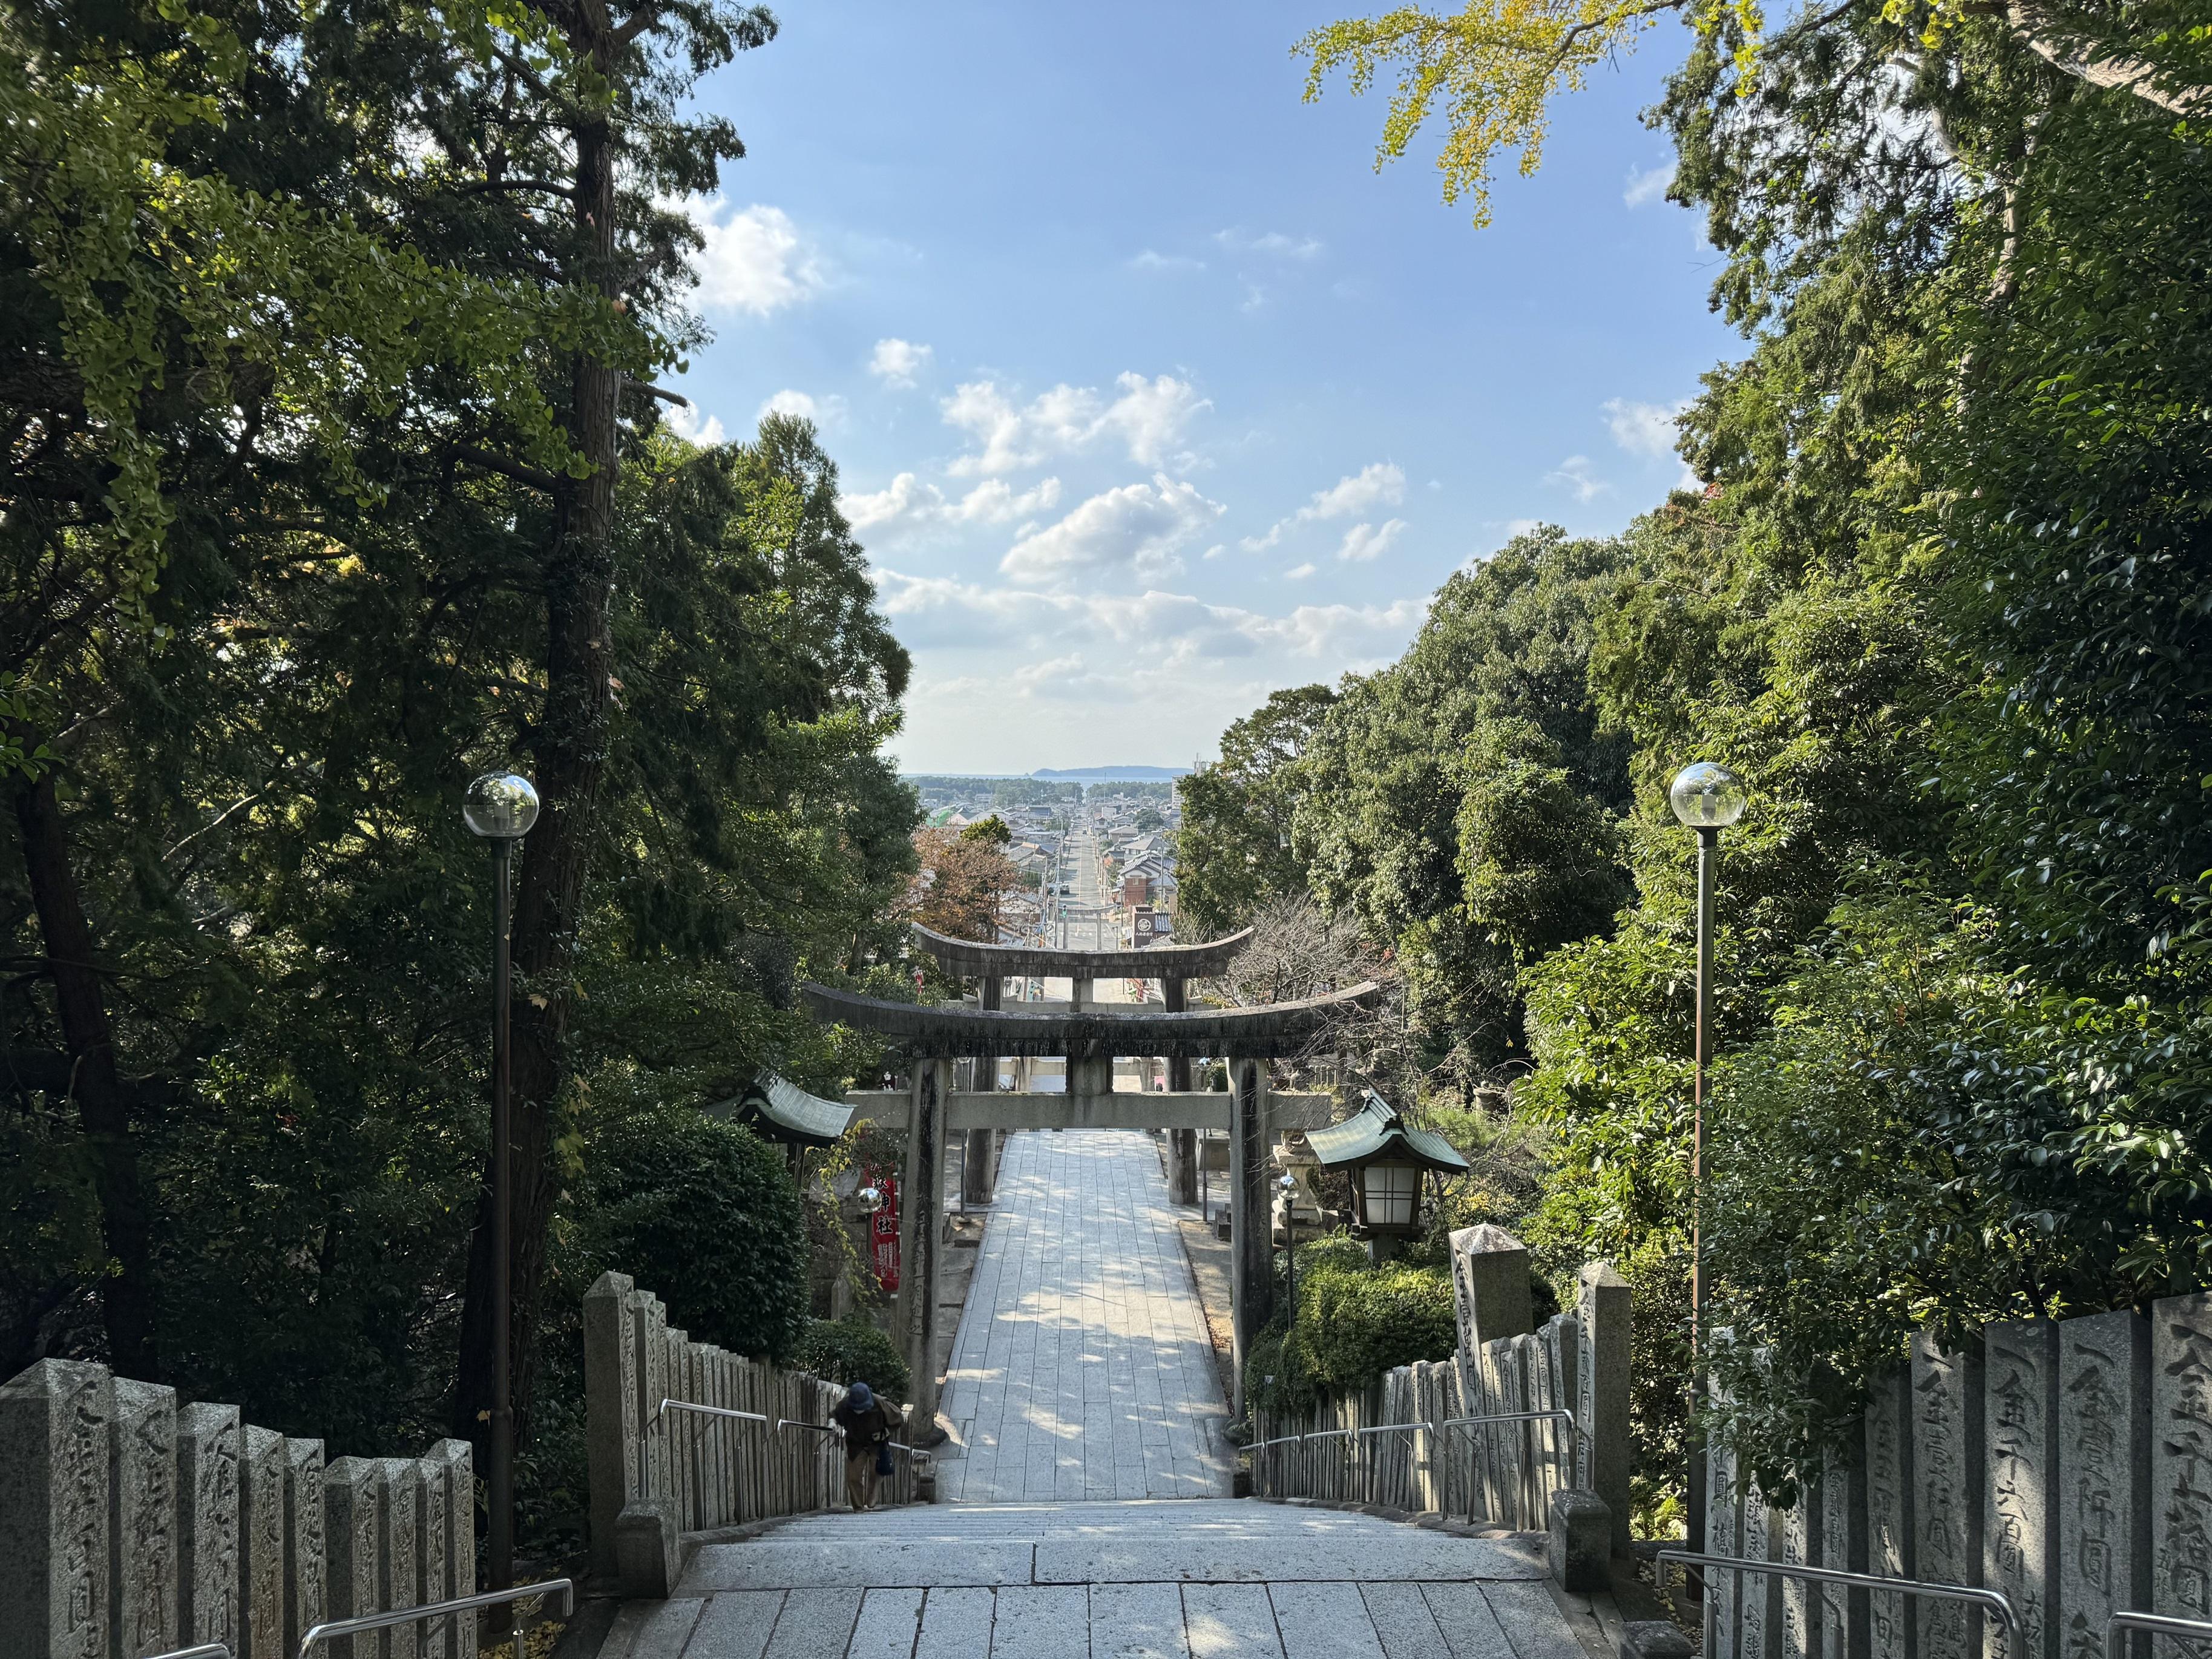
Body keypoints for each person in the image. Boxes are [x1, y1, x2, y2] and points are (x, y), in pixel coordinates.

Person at [830, 1380, 902, 1511]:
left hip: (876, 1443)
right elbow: (834, 1415)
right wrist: (832, 1423)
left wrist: (884, 1433)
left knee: (875, 1473)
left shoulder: (880, 1403)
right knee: (854, 1476)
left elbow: (898, 1419)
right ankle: (858, 1507)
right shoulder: (845, 1405)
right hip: (855, 1443)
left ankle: (871, 1501)